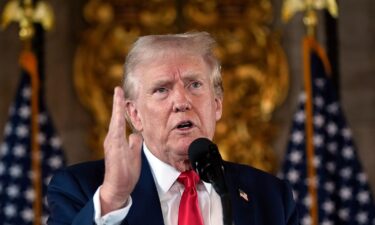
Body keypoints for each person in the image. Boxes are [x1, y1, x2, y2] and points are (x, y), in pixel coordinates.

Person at [47, 32, 298, 225]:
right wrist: (112, 200)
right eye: (162, 89)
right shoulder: (80, 189)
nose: (181, 101)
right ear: (135, 115)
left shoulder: (271, 196)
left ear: (217, 104)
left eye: (195, 85)